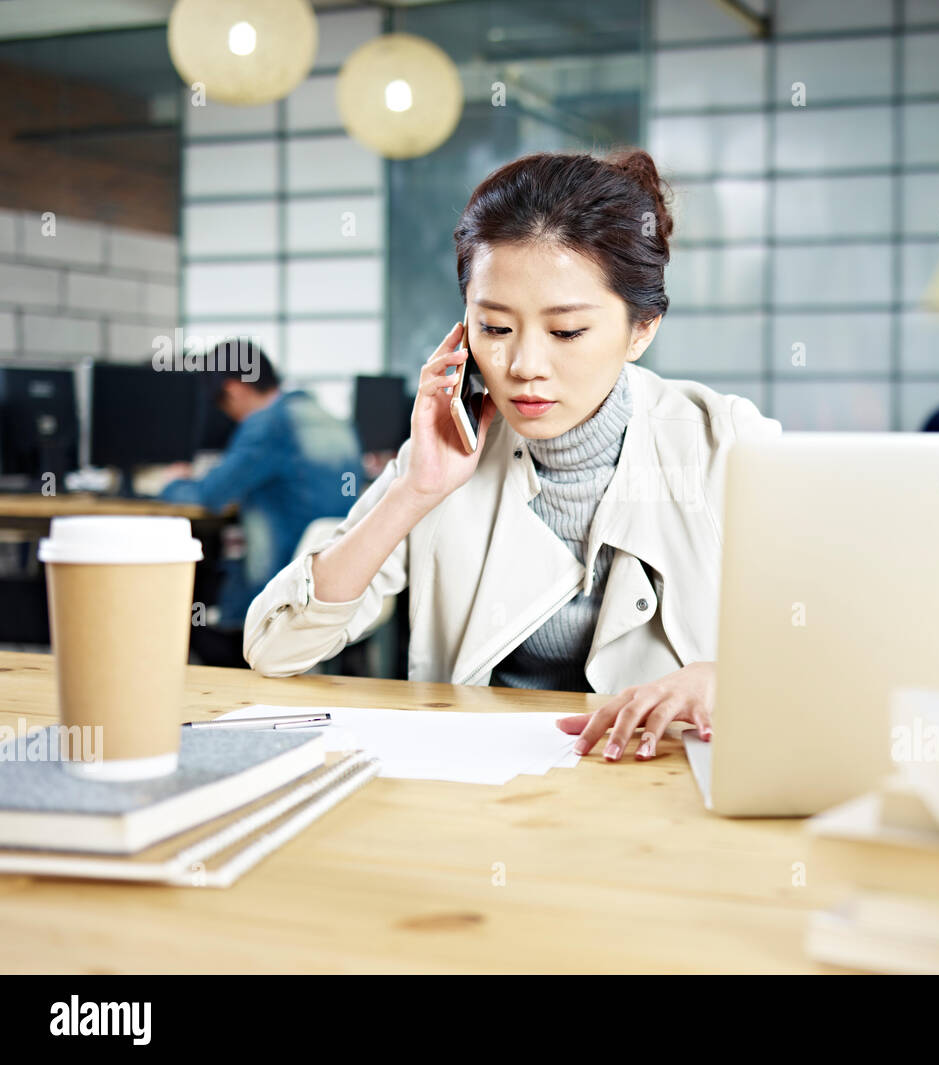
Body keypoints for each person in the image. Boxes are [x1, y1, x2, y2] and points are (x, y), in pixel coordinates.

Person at [243, 148, 783, 764]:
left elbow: (838, 641)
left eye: (567, 332)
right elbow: (275, 646)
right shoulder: (450, 449)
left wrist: (726, 677)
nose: (524, 366)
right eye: (495, 328)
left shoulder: (725, 442)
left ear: (643, 329)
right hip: (482, 796)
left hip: (662, 795)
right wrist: (415, 490)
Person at [159, 342, 364, 668]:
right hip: (343, 589)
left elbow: (209, 496)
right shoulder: (328, 418)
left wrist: (171, 481)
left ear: (234, 389)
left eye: (222, 405)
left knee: (181, 606)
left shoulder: (267, 425)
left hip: (280, 589)